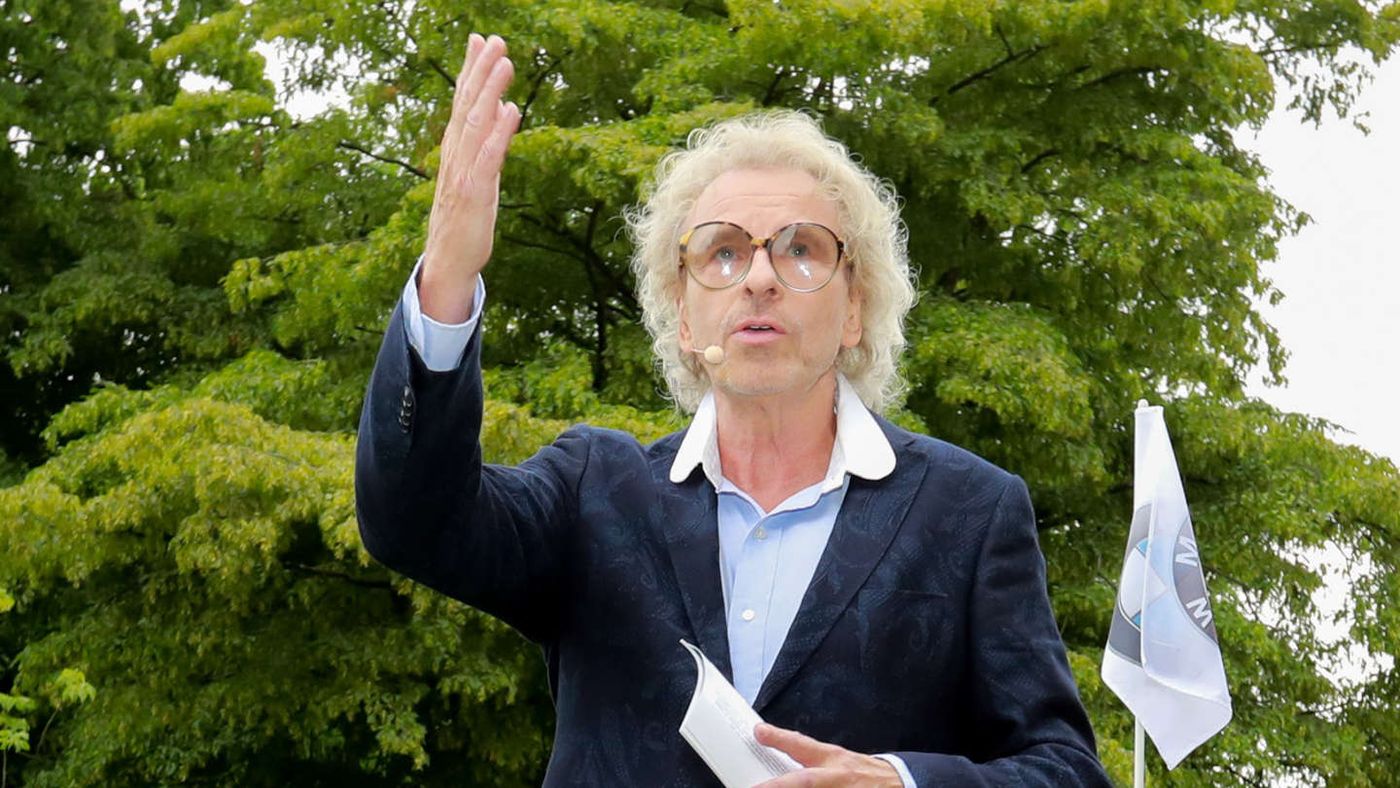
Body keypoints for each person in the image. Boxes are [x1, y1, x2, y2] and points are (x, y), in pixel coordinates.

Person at [355, 32, 1111, 787]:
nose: (759, 278)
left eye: (801, 249)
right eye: (722, 252)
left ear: (855, 309)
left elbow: (1066, 769)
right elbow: (415, 525)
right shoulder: (594, 490)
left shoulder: (970, 510)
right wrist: (447, 275)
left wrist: (900, 781)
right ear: (683, 316)